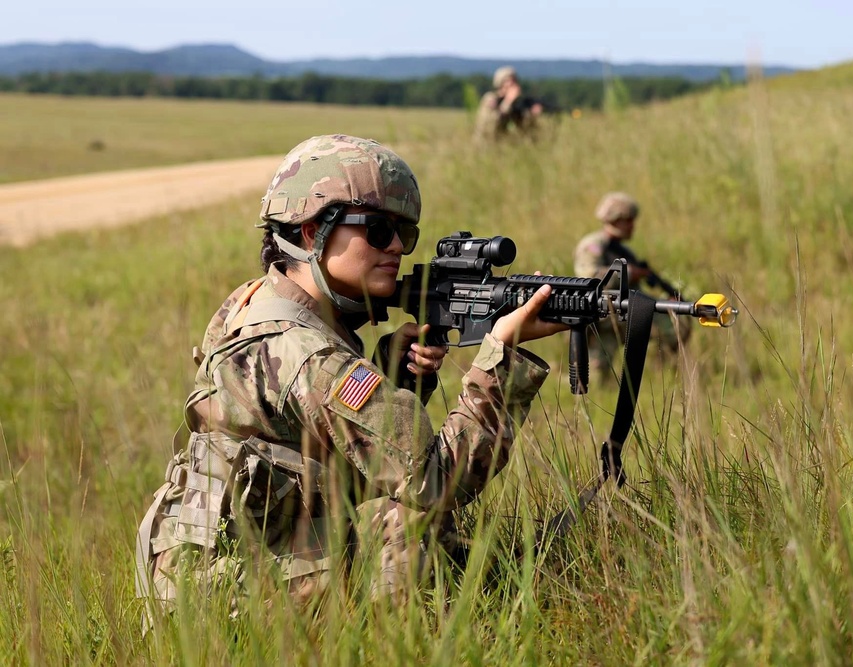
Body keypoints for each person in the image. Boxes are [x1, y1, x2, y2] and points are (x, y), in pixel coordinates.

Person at [134, 134, 566, 621]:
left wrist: (388, 372)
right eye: (378, 230)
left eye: (406, 232)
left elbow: (303, 441)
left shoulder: (252, 302)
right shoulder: (312, 355)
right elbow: (436, 481)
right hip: (242, 608)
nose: (398, 246)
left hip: (193, 578)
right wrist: (502, 359)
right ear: (313, 231)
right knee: (418, 517)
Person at [573, 192, 692, 382]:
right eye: (628, 220)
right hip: (603, 312)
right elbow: (588, 277)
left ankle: (661, 373)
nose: (632, 226)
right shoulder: (594, 245)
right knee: (595, 375)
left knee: (679, 324)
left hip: (624, 311)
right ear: (615, 219)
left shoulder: (623, 250)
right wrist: (628, 272)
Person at [473, 66, 545, 143]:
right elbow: (491, 126)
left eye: (514, 81)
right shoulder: (490, 98)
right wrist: (508, 102)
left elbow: (526, 130)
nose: (512, 84)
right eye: (507, 81)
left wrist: (531, 115)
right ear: (500, 83)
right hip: (487, 144)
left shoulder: (515, 103)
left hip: (502, 144)